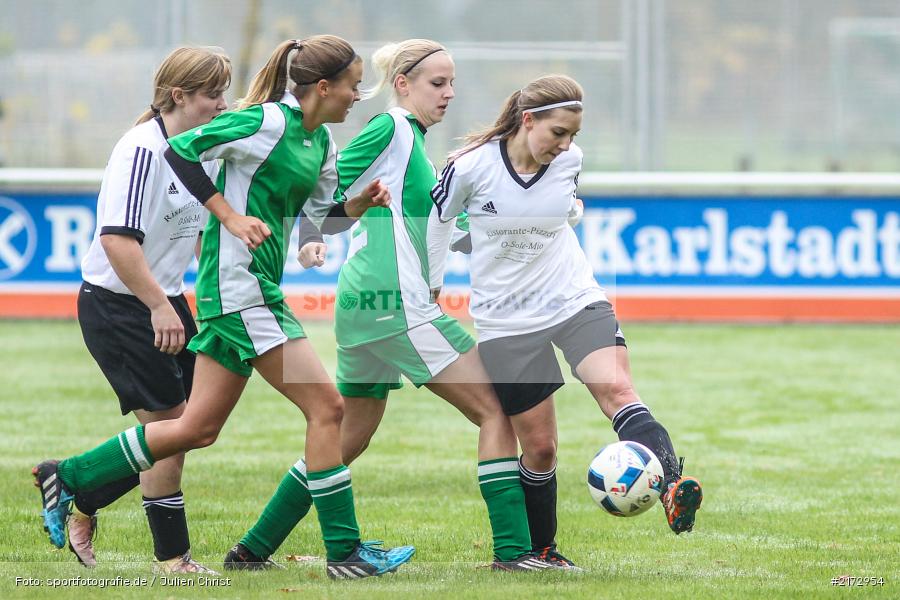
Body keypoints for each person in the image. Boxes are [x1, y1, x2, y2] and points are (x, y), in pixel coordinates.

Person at [33, 35, 414, 580]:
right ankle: (345, 554)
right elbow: (179, 149)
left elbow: (323, 216)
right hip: (239, 292)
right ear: (324, 87)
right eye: (354, 86)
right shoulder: (265, 123)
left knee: (197, 428)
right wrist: (229, 217)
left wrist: (358, 203)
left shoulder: (321, 142)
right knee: (327, 408)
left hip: (250, 291)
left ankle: (67, 475)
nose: (359, 96)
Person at [227, 39, 566, 572]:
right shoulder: (393, 128)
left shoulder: (413, 141)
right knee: (494, 411)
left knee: (345, 437)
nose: (449, 93)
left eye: (452, 82)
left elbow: (365, 210)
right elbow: (326, 190)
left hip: (369, 305)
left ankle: (251, 550)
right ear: (402, 84)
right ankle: (514, 553)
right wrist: (311, 232)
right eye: (437, 83)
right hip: (394, 305)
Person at [428, 75, 704, 565]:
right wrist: (432, 283)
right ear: (527, 120)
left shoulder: (568, 162)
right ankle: (542, 550)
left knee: (618, 390)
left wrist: (566, 214)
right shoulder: (470, 168)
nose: (566, 145)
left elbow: (561, 210)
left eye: (573, 135)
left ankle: (670, 483)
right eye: (558, 132)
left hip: (573, 297)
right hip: (508, 319)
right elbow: (439, 220)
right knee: (540, 448)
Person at [60, 45, 231, 573]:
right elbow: (117, 242)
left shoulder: (194, 148)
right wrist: (159, 304)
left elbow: (195, 234)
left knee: (191, 427)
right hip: (122, 305)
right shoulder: (142, 150)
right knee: (174, 430)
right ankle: (172, 559)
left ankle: (79, 490)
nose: (222, 106)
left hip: (164, 301)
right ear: (178, 96)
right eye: (212, 94)